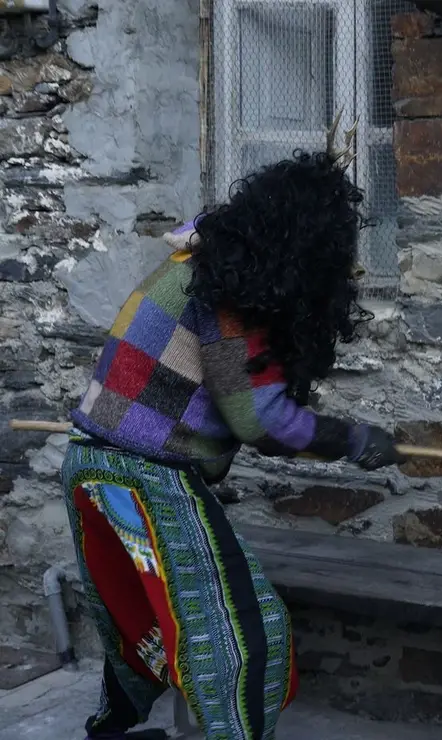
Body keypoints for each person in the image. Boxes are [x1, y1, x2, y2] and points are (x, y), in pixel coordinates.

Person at [61, 118, 405, 740]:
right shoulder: (230, 297)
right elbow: (258, 417)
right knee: (243, 633)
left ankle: (116, 728)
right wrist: (353, 441)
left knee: (142, 615)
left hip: (91, 467)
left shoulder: (201, 263)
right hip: (144, 478)